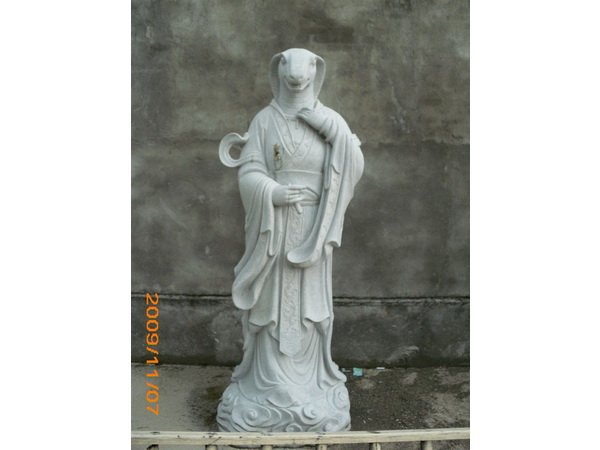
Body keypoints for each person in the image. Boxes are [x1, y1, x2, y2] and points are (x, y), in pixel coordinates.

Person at [217, 48, 363, 432]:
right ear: (278, 71)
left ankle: (310, 383)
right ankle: (267, 383)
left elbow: (353, 162)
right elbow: (249, 171)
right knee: (270, 308)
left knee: (308, 309)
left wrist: (333, 131)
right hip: (276, 229)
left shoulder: (331, 120)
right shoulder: (264, 121)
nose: (297, 78)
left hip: (314, 227)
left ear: (316, 73)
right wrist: (271, 192)